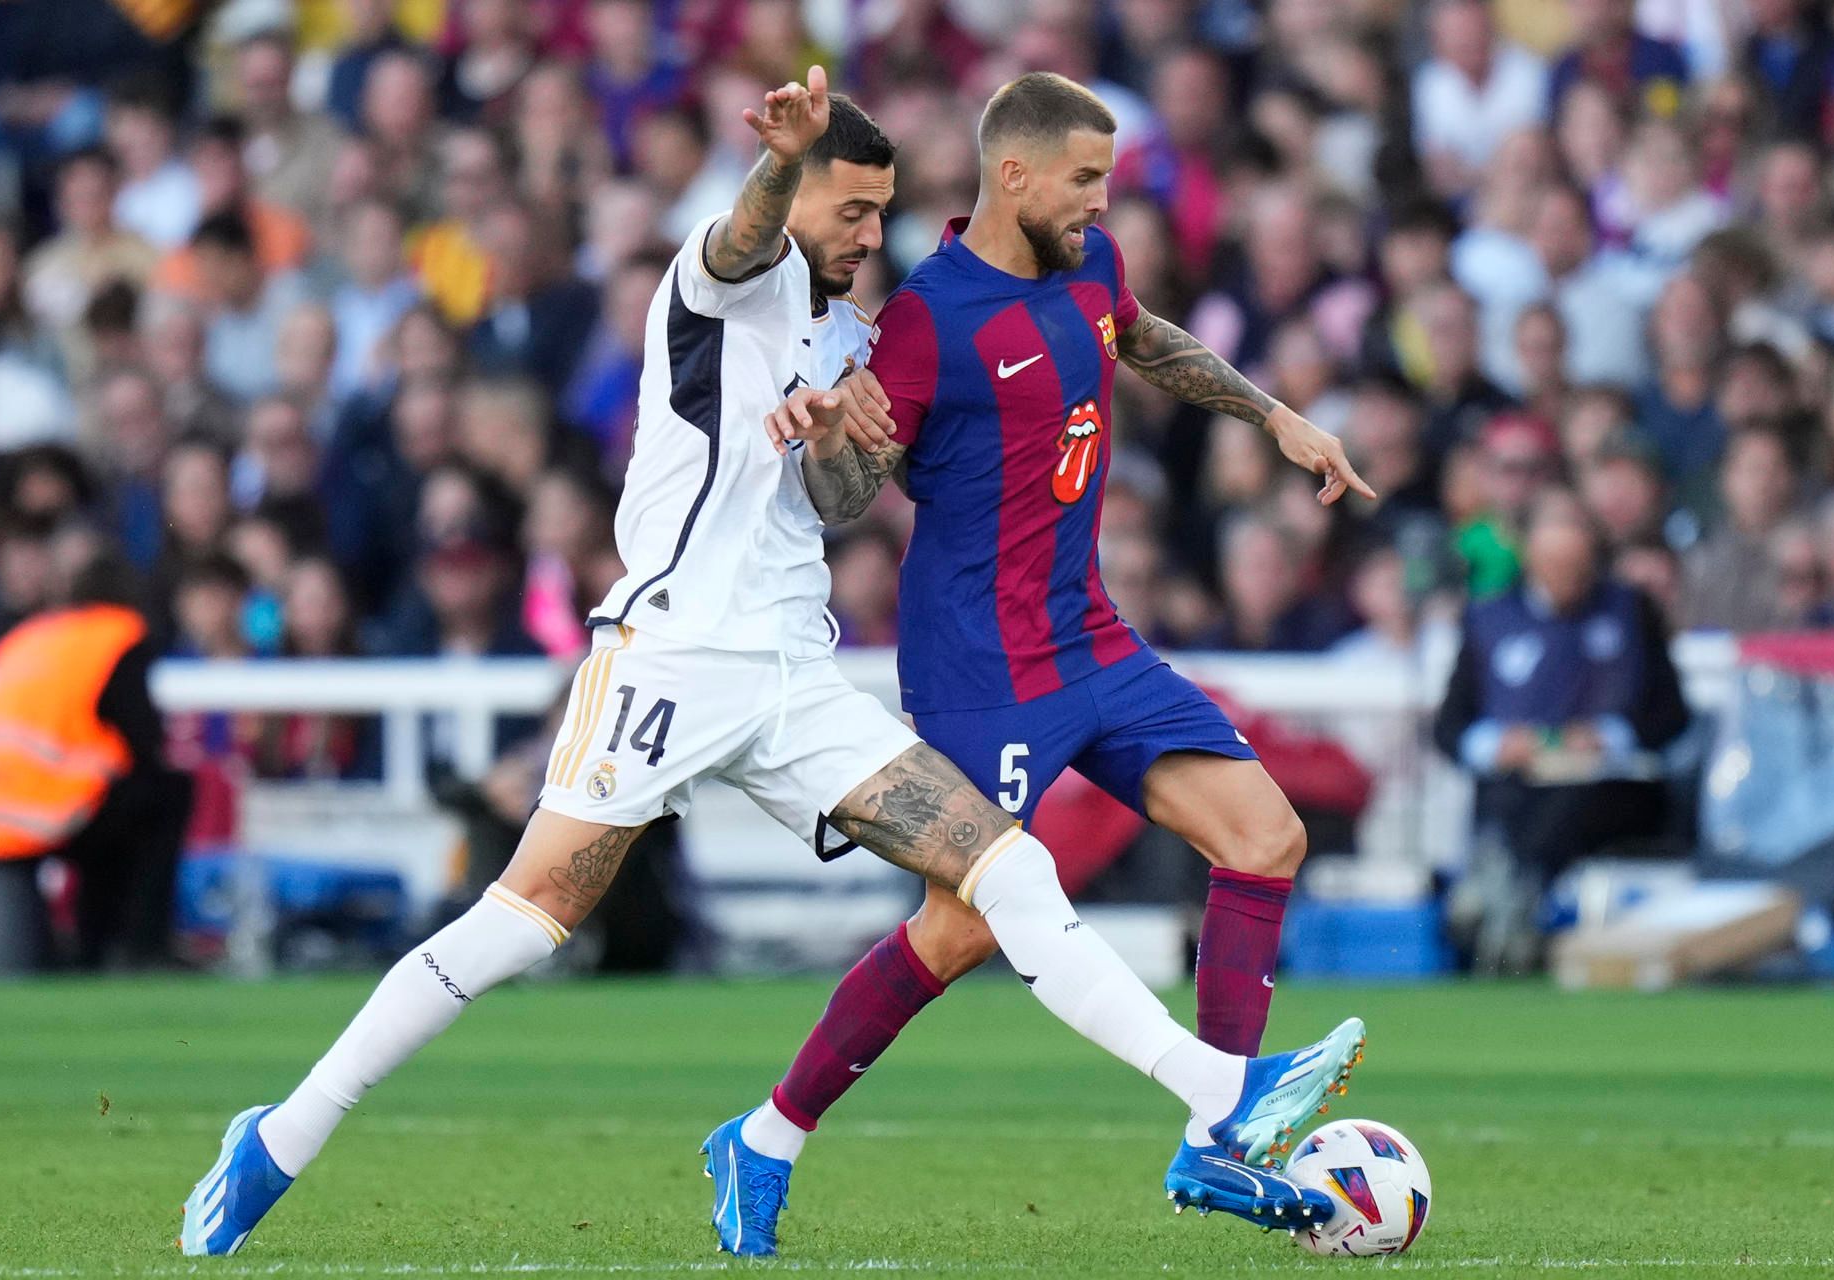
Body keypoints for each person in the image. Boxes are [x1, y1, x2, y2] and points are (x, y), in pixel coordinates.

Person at [178, 68, 1364, 1261]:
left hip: (798, 677)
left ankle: (1217, 1097)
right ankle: (282, 1133)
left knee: (1007, 874)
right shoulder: (710, 289)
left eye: (880, 209)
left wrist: (835, 436)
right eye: (850, 210)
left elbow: (847, 489)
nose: (870, 233)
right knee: (524, 921)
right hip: (671, 656)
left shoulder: (855, 331)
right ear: (792, 193)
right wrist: (773, 162)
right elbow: (747, 235)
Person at [734, 71, 1375, 1254]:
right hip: (982, 662)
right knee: (964, 920)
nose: (1100, 202)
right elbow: (845, 494)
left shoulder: (1091, 262)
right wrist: (830, 439)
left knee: (1266, 834)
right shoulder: (929, 318)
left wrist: (1273, 415)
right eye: (1083, 179)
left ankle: (1219, 1131)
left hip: (1092, 634)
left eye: (1107, 181)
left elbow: (1142, 337)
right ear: (1012, 173)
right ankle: (770, 1133)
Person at [1433, 496, 1690, 972]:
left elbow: (1672, 715)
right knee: (1516, 793)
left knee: (1568, 799)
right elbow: (1449, 729)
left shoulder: (1632, 611)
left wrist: (1608, 736)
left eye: (1576, 565)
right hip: (1516, 784)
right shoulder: (1487, 618)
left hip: (1614, 789)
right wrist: (1497, 745)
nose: (1566, 579)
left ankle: (1509, 891)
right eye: (1554, 565)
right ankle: (1505, 895)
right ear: (1529, 555)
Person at [0, 536, 191, 973]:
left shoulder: (28, 636)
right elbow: (142, 738)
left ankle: (87, 945)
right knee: (163, 796)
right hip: (42, 807)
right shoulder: (118, 636)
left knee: (116, 809)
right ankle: (136, 947)